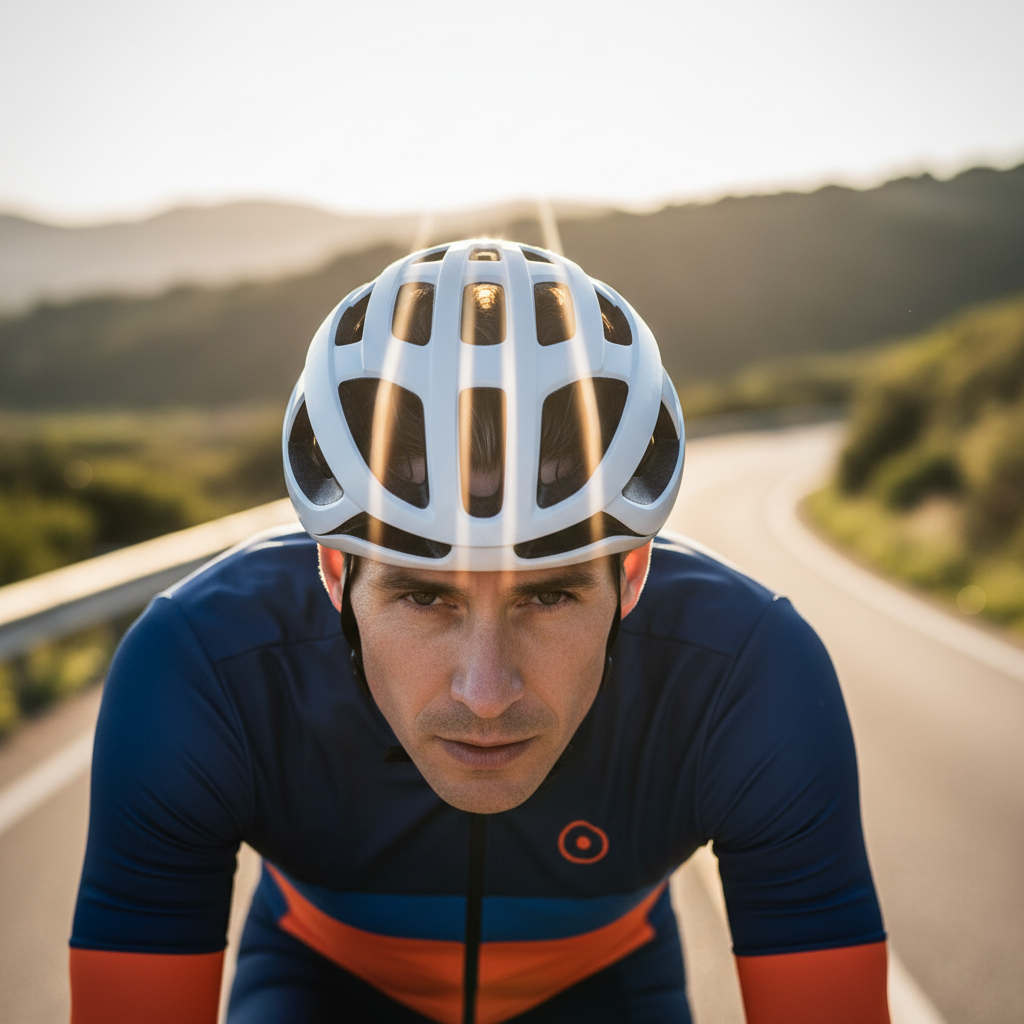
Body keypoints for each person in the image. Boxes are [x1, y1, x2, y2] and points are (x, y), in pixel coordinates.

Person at [69, 239, 890, 1024]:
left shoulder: (747, 675)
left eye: (551, 598)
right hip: (321, 983)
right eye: (426, 600)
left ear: (632, 576)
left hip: (604, 985)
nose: (487, 694)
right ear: (332, 576)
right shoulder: (203, 669)